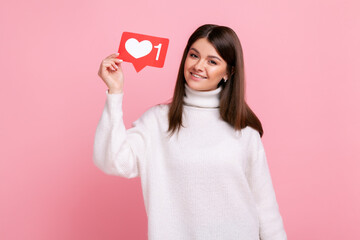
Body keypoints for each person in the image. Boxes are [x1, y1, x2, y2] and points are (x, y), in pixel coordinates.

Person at [93, 24, 287, 240]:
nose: (198, 66)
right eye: (194, 55)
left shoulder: (245, 132)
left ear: (228, 72)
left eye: (212, 61)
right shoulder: (157, 122)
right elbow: (112, 161)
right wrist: (115, 92)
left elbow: (266, 210)